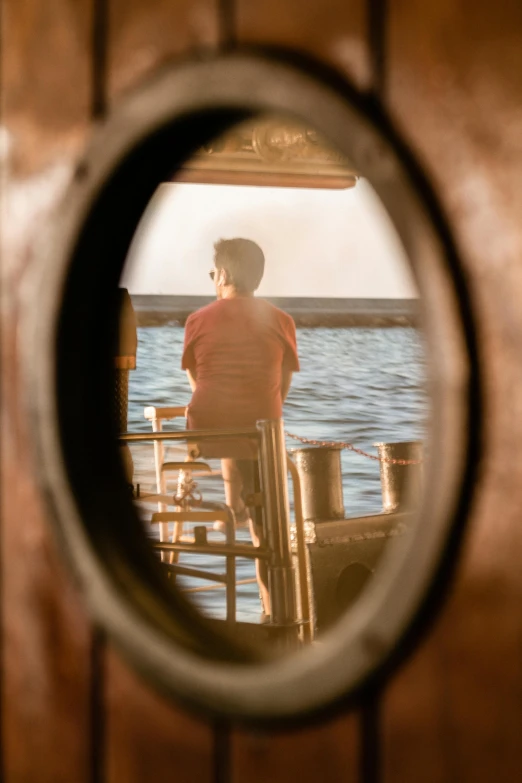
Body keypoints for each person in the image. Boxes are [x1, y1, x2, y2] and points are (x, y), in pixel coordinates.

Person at [181, 238, 300, 619]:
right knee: (267, 528)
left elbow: (196, 379)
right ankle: (273, 611)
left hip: (205, 434)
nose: (212, 279)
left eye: (213, 273)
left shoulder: (197, 319)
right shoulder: (281, 320)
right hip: (259, 432)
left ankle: (231, 507)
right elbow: (282, 387)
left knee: (227, 430)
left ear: (225, 275)